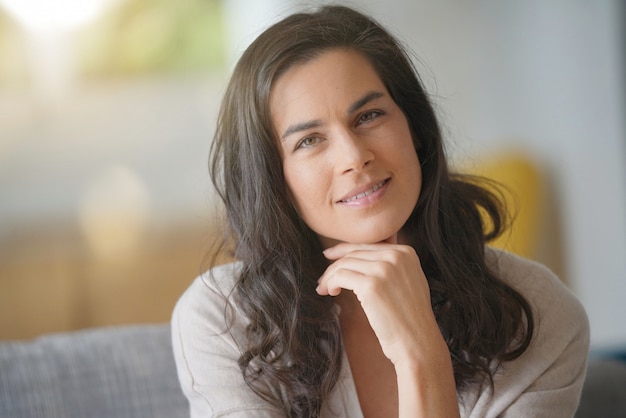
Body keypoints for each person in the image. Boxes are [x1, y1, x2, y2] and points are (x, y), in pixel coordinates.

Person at [171, 5, 589, 417]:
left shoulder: (540, 315)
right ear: (272, 180)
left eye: (369, 115)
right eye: (309, 141)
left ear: (416, 130)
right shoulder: (223, 319)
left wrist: (421, 357)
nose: (354, 156)